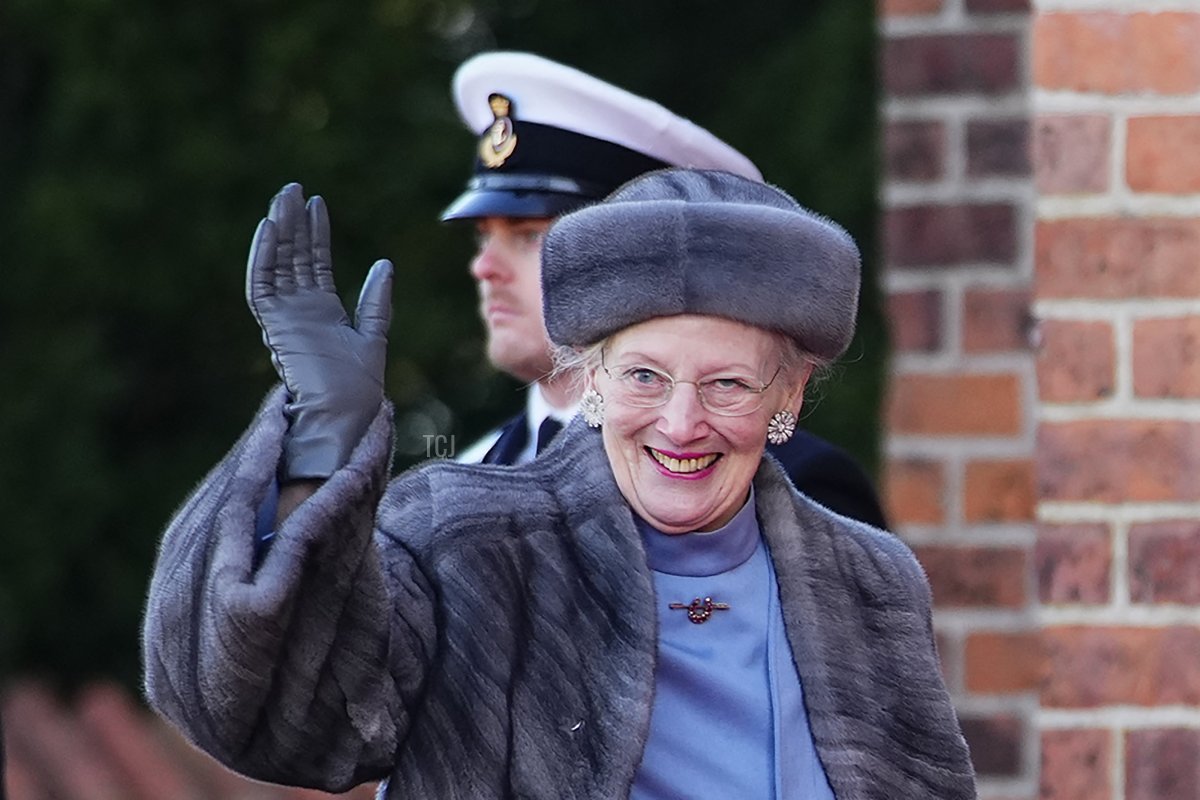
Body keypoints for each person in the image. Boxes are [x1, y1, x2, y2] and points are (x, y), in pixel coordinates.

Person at [142, 169, 976, 798]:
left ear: (787, 397)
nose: (682, 425)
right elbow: (278, 717)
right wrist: (321, 440)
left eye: (727, 385)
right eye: (645, 376)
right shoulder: (464, 543)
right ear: (592, 378)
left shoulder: (872, 582)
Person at [442, 52, 888, 529]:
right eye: (484, 236)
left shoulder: (791, 487)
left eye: (531, 237)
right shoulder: (468, 474)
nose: (485, 267)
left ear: (647, 259)